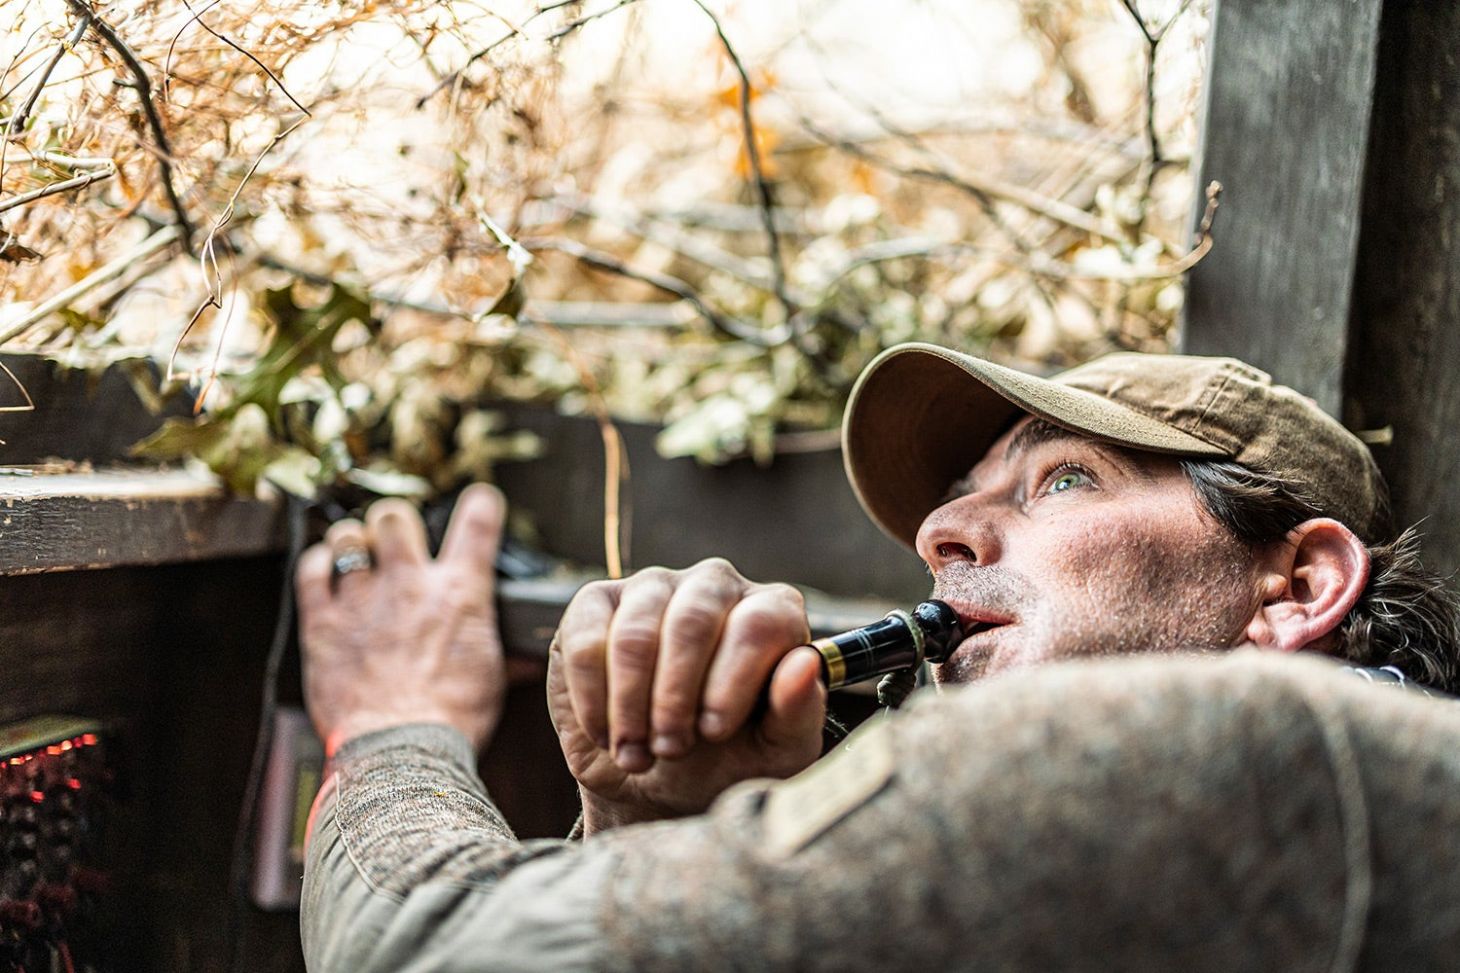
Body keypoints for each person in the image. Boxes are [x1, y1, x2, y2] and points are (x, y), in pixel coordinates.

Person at [297, 344, 1460, 970]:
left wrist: (393, 721)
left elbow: (424, 954)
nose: (937, 534)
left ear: (1297, 585)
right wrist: (651, 827)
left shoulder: (1221, 764)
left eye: (1063, 478)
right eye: (957, 501)